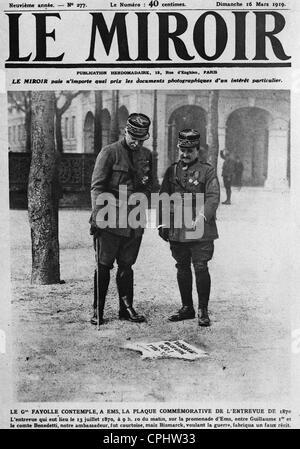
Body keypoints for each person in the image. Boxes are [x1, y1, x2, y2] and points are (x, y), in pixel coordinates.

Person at [89, 113, 152, 325]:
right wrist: (98, 217)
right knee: (104, 264)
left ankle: (126, 308)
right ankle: (98, 310)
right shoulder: (109, 153)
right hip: (110, 217)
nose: (136, 142)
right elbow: (97, 187)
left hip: (134, 219)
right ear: (125, 131)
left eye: (141, 139)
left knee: (127, 265)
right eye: (133, 137)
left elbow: (150, 185)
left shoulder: (147, 155)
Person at [158, 129, 220, 326]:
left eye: (190, 151)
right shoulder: (171, 171)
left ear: (197, 151)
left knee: (201, 267)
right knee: (182, 266)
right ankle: (187, 307)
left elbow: (213, 197)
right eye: (182, 151)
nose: (185, 155)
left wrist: (202, 217)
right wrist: (162, 222)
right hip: (177, 227)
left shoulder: (207, 171)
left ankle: (203, 309)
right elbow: (163, 197)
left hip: (200, 227)